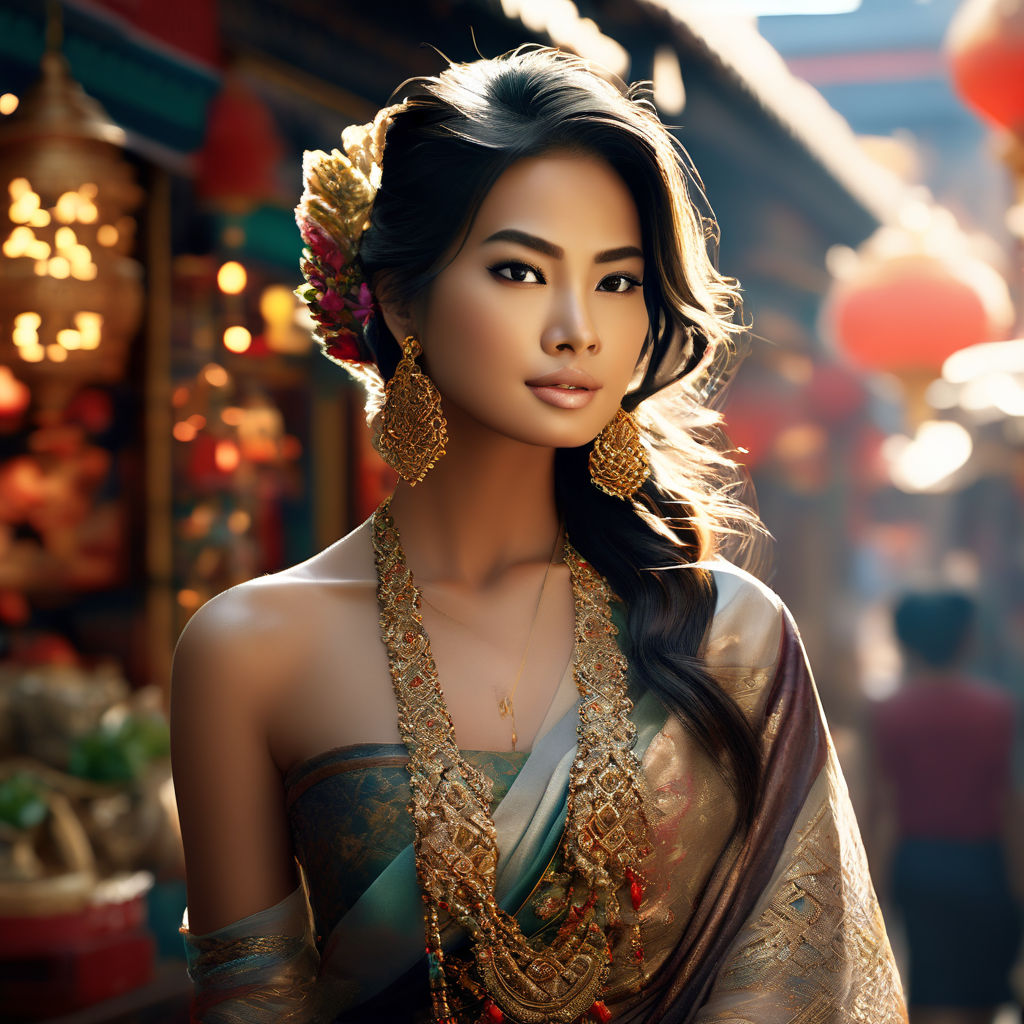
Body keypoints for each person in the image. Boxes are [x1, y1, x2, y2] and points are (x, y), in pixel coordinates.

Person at [170, 44, 906, 1023]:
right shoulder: (245, 650)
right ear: (399, 297)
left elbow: (797, 986)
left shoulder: (726, 635)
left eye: (616, 280)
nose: (576, 328)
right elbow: (251, 1006)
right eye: (518, 271)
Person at [870, 591, 1023, 1024]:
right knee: (979, 993)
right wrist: (1019, 882)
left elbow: (880, 807)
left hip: (918, 867)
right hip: (983, 865)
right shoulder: (998, 711)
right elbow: (1009, 804)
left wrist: (872, 892)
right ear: (965, 641)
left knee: (927, 987)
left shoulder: (889, 712)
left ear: (905, 641)